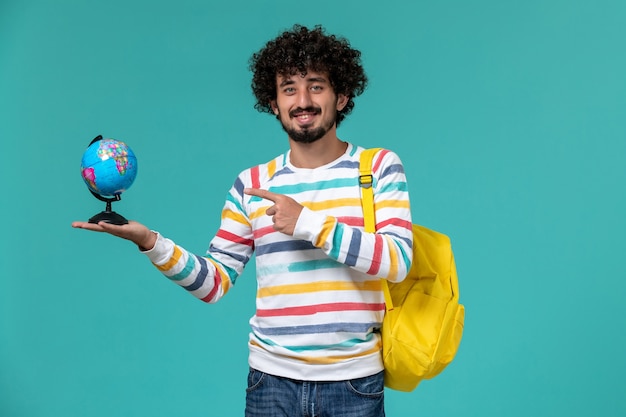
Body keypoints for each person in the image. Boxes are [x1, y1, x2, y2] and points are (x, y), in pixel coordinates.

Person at [73, 24, 413, 417]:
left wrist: (308, 223)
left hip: (354, 385)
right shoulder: (251, 184)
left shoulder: (378, 168)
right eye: (289, 88)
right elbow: (214, 283)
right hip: (270, 384)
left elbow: (397, 262)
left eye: (316, 86)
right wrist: (150, 241)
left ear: (342, 96)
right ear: (274, 102)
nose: (303, 100)